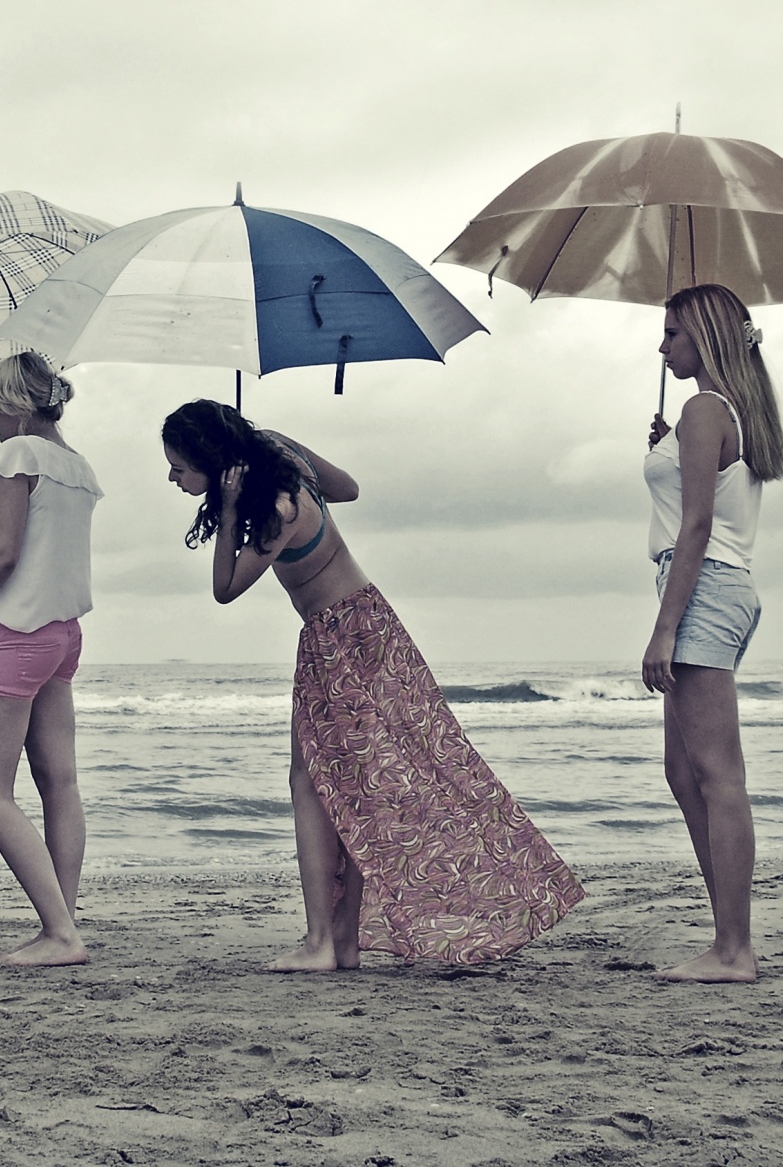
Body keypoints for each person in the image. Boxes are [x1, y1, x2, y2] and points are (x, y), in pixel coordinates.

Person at [162, 399, 582, 972]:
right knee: (351, 785)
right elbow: (348, 488)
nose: (173, 478)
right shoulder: (281, 455)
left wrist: (232, 507)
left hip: (342, 637)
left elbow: (225, 588)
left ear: (216, 464)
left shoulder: (277, 509)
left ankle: (321, 942)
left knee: (313, 783)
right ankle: (343, 941)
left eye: (181, 468)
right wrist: (270, 456)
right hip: (365, 625)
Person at [640, 283, 783, 984]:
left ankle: (734, 948)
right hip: (717, 587)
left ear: (704, 336)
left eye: (673, 333)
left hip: (702, 589)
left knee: (719, 776)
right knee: (684, 772)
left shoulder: (704, 409)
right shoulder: (722, 411)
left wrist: (664, 629)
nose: (662, 345)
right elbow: (697, 506)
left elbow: (697, 526)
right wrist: (666, 454)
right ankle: (728, 936)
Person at [0, 352, 102, 966]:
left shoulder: (15, 456)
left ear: (18, 403)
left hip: (15, 631)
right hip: (63, 634)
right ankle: (64, 921)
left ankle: (60, 934)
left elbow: (2, 554)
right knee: (60, 781)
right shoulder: (78, 466)